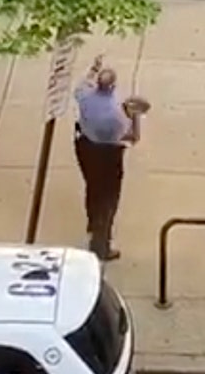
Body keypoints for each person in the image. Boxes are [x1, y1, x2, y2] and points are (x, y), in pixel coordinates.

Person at [73, 55, 146, 261]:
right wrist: (136, 116)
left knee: (92, 186)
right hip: (108, 154)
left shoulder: (85, 96)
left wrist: (94, 68)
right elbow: (132, 137)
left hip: (85, 146)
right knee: (108, 198)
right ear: (113, 86)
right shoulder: (117, 114)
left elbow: (82, 84)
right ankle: (100, 243)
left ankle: (92, 221)